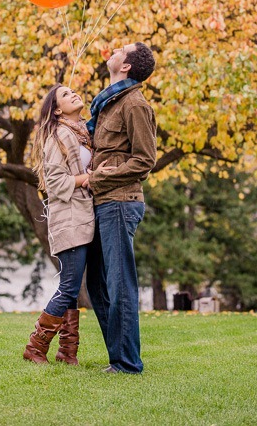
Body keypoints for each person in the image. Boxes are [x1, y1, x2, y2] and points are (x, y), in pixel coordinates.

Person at [86, 42, 157, 374]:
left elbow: (145, 160)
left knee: (119, 283)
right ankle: (118, 356)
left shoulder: (135, 104)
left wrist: (101, 177)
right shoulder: (108, 102)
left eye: (120, 50)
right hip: (102, 202)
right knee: (96, 284)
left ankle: (127, 363)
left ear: (126, 66)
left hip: (119, 202)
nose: (112, 50)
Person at [23, 83, 96, 365]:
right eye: (65, 95)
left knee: (72, 285)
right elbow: (54, 183)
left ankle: (67, 353)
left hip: (81, 215)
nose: (73, 94)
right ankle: (35, 347)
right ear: (56, 109)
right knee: (68, 287)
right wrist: (88, 178)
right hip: (68, 217)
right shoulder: (59, 135)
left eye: (73, 91)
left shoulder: (81, 134)